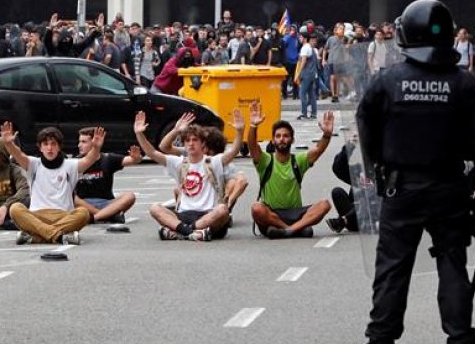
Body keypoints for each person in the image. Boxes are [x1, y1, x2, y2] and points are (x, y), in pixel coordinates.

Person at [355, 0, 475, 344]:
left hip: (401, 190)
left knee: (391, 273)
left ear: (406, 34)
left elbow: (364, 120)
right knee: (453, 270)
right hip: (449, 190)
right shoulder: (463, 84)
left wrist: (375, 168)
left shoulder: (388, 80)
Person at [134, 109, 245, 242]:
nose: (191, 143)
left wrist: (240, 131)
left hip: (207, 214)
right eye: (187, 140)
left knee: (222, 210)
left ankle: (182, 231)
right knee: (155, 208)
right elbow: (152, 152)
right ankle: (192, 233)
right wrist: (139, 133)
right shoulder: (179, 162)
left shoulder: (213, 162)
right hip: (184, 214)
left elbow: (234, 151)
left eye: (195, 140)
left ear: (203, 143)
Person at [1, 121, 104, 245]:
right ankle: (59, 236)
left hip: (63, 216)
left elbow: (89, 159)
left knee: (83, 213)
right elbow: (18, 154)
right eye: (45, 144)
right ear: (40, 147)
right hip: (37, 216)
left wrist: (96, 148)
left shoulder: (70, 165)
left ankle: (36, 237)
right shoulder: (33, 164)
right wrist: (9, 144)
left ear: (59, 147)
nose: (49, 148)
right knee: (15, 208)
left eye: (53, 144)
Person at [248, 102, 334, 239]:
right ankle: (293, 229)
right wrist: (253, 126)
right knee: (256, 208)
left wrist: (327, 135)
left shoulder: (297, 161)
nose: (282, 139)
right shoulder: (266, 160)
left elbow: (318, 150)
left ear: (292, 140)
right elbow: (252, 147)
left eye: (286, 136)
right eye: (278, 136)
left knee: (324, 205)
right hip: (272, 215)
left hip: (296, 214)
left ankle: (287, 230)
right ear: (273, 140)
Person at [73, 127, 143, 224]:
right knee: (72, 198)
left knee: (130, 196)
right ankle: (108, 216)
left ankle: (95, 218)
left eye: (84, 142)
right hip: (83, 204)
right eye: (79, 141)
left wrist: (136, 158)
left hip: (107, 203)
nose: (79, 145)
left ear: (95, 142)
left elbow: (131, 160)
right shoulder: (76, 162)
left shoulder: (108, 158)